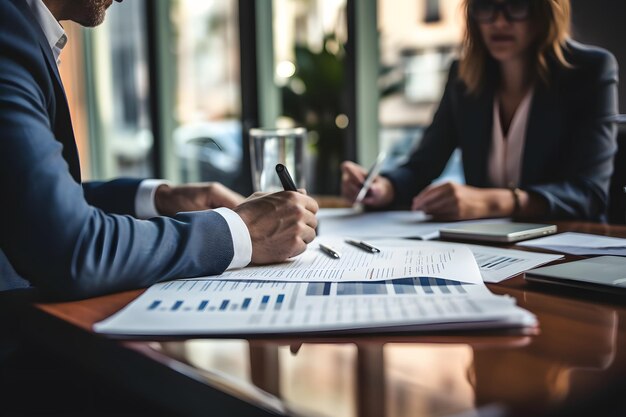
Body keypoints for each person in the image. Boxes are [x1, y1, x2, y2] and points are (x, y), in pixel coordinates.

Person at [0, 0, 318, 299]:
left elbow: (28, 206)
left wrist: (159, 199)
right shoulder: (8, 37)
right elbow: (69, 247)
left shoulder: (20, 29)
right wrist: (242, 232)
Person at [342, 0, 618, 222]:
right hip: (485, 247)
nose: (498, 21)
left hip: (567, 245)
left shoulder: (589, 71)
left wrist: (492, 201)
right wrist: (383, 188)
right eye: (486, 6)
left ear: (544, 10)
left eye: (516, 5)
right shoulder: (463, 77)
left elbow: (589, 193)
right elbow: (422, 165)